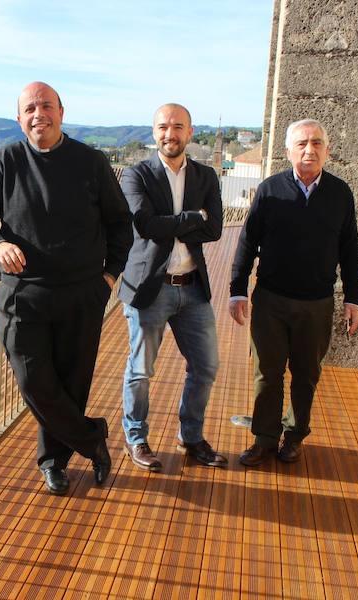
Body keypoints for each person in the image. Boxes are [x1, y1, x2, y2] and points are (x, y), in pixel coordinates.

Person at [0, 81, 132, 495]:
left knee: (72, 382)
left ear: (62, 112)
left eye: (47, 106)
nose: (40, 114)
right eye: (31, 108)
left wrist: (109, 277)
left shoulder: (91, 162)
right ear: (20, 119)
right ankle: (92, 439)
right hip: (23, 295)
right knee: (34, 379)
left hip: (82, 294)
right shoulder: (4, 161)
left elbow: (120, 224)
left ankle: (54, 461)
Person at [230, 118, 358, 466]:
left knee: (306, 376)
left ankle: (294, 436)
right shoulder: (270, 190)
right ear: (288, 151)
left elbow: (350, 249)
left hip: (317, 304)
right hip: (271, 300)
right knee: (267, 373)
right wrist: (237, 290)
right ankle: (264, 438)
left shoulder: (340, 193)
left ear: (327, 151)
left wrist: (353, 298)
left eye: (317, 143)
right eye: (302, 144)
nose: (309, 150)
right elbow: (247, 243)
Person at [118, 103, 226, 472]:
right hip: (150, 288)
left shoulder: (206, 177)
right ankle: (136, 437)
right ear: (154, 133)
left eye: (178, 126)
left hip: (193, 288)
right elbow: (146, 225)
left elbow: (214, 230)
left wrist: (177, 222)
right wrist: (193, 218)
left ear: (190, 133)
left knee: (206, 366)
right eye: (163, 126)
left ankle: (190, 436)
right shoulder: (136, 176)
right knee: (142, 370)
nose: (170, 133)